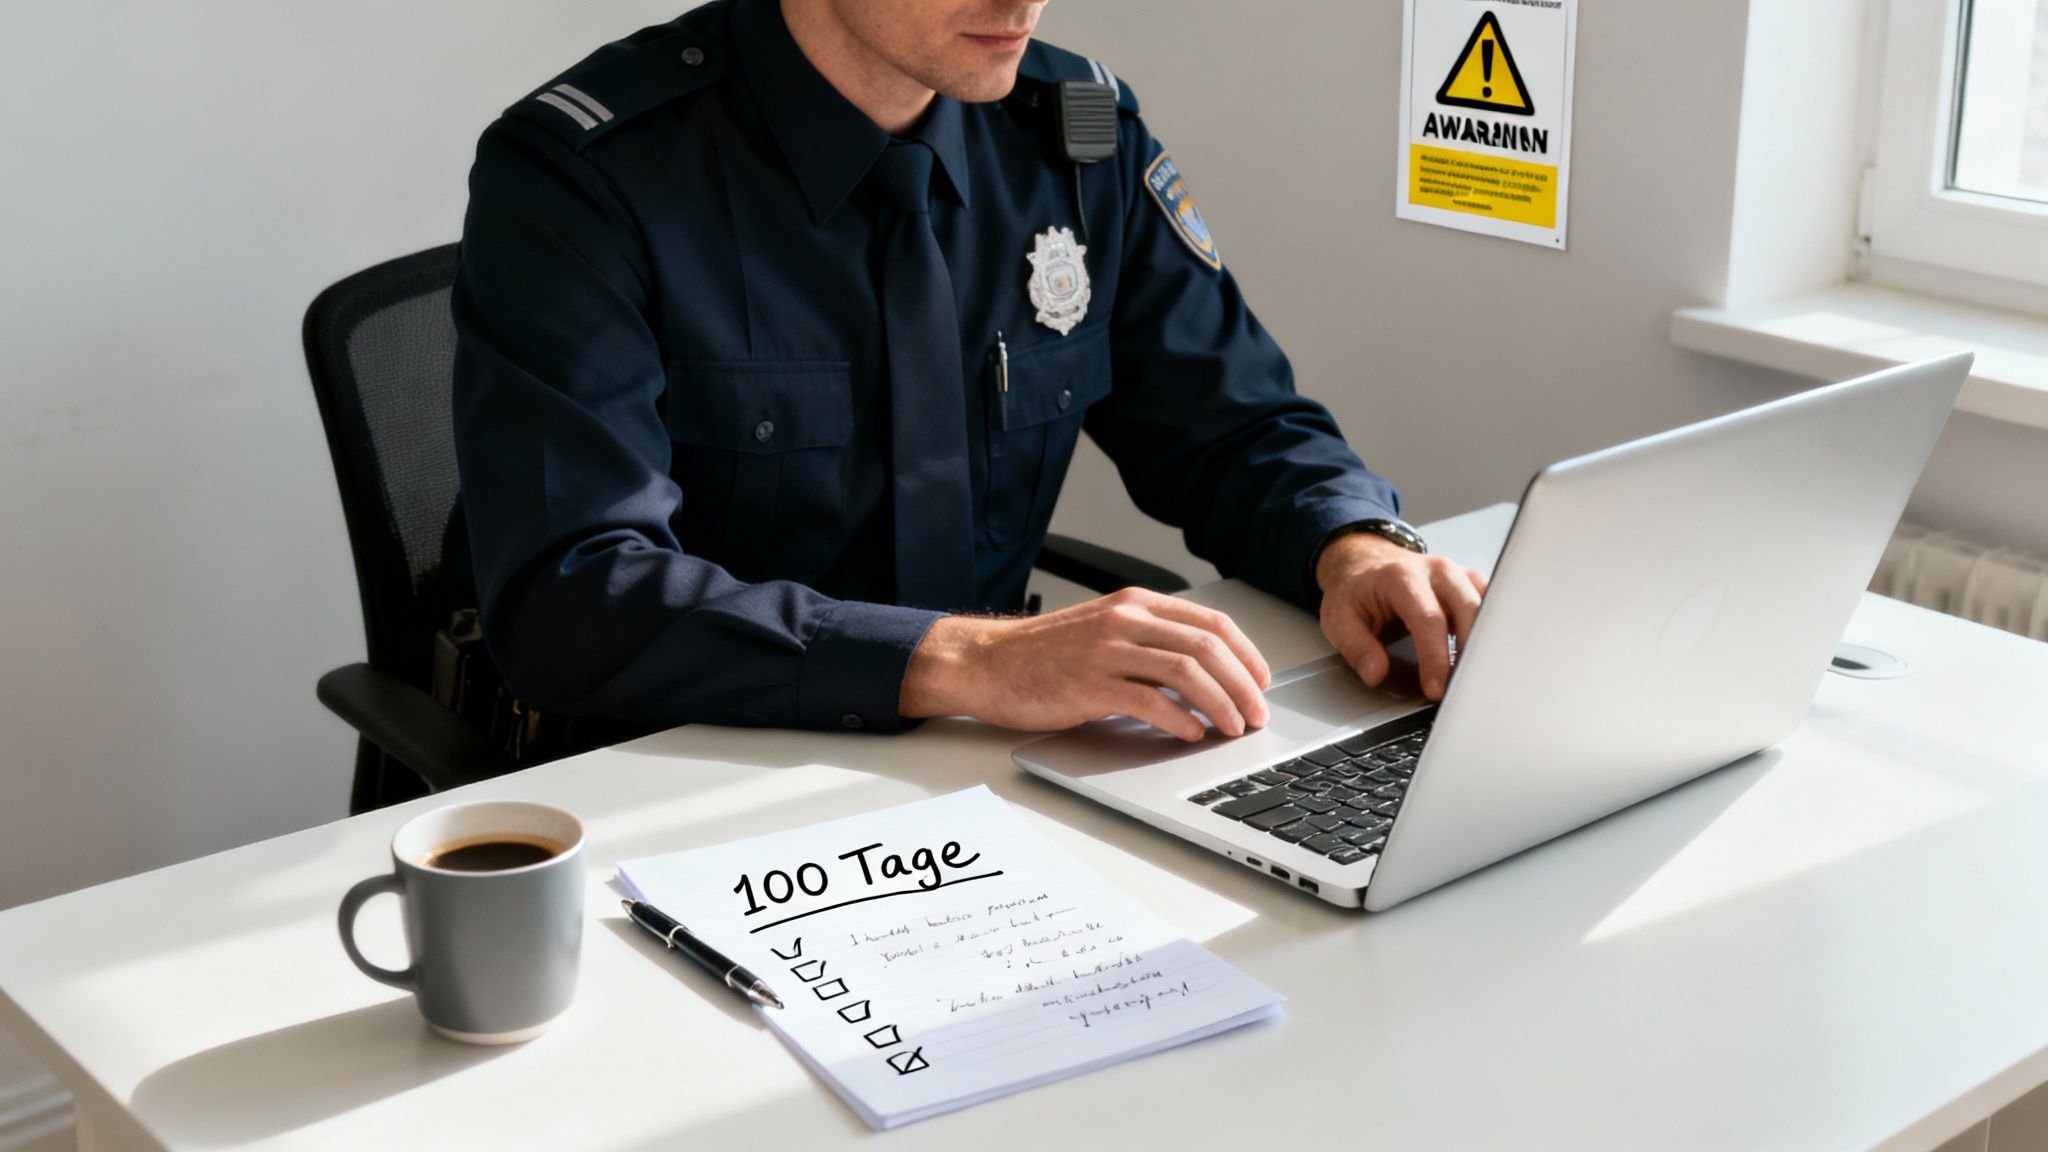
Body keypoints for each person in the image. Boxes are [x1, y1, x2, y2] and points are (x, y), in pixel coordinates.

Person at [450, 0, 1488, 745]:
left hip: (987, 760)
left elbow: (1232, 426)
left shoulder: (1077, 135)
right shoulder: (584, 175)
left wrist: (1349, 542)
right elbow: (571, 592)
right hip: (681, 764)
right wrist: (974, 662)